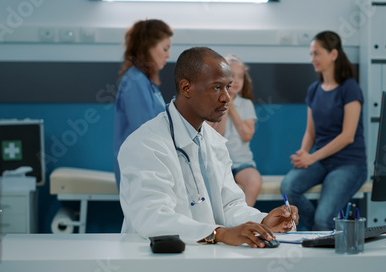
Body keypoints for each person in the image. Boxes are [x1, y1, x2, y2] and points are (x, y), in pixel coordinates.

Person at [118, 47, 298, 248]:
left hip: (203, 256)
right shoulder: (146, 143)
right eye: (216, 87)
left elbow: (230, 205)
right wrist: (217, 233)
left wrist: (263, 221)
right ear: (186, 88)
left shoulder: (214, 141)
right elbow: (152, 217)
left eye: (228, 87)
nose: (226, 98)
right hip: (154, 259)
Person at [280, 31, 367, 231]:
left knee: (324, 218)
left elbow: (348, 136)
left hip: (348, 164)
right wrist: (304, 153)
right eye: (311, 54)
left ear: (333, 54)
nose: (313, 59)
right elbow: (311, 132)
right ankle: (315, 231)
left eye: (317, 53)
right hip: (321, 160)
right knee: (288, 186)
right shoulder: (314, 90)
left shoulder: (350, 88)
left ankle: (319, 231)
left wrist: (312, 157)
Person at [113, 19, 173, 189]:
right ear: (148, 47)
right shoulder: (135, 80)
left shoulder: (146, 82)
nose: (168, 55)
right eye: (165, 48)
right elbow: (145, 130)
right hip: (140, 171)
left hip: (148, 168)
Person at [208, 54, 261, 207]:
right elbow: (216, 136)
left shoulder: (246, 104)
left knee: (254, 182)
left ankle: (244, 219)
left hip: (243, 163)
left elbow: (247, 135)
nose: (236, 81)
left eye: (240, 77)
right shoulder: (212, 104)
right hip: (219, 164)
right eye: (232, 76)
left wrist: (232, 109)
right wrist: (224, 105)